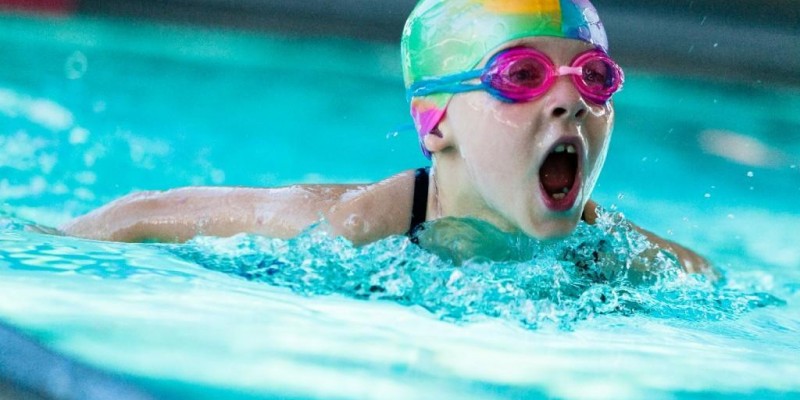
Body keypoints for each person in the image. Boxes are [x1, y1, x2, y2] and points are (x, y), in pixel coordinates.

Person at [62, 0, 711, 275]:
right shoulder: (354, 226)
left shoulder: (619, 257)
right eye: (522, 76)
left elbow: (711, 283)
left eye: (593, 76)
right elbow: (138, 214)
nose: (570, 99)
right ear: (437, 120)